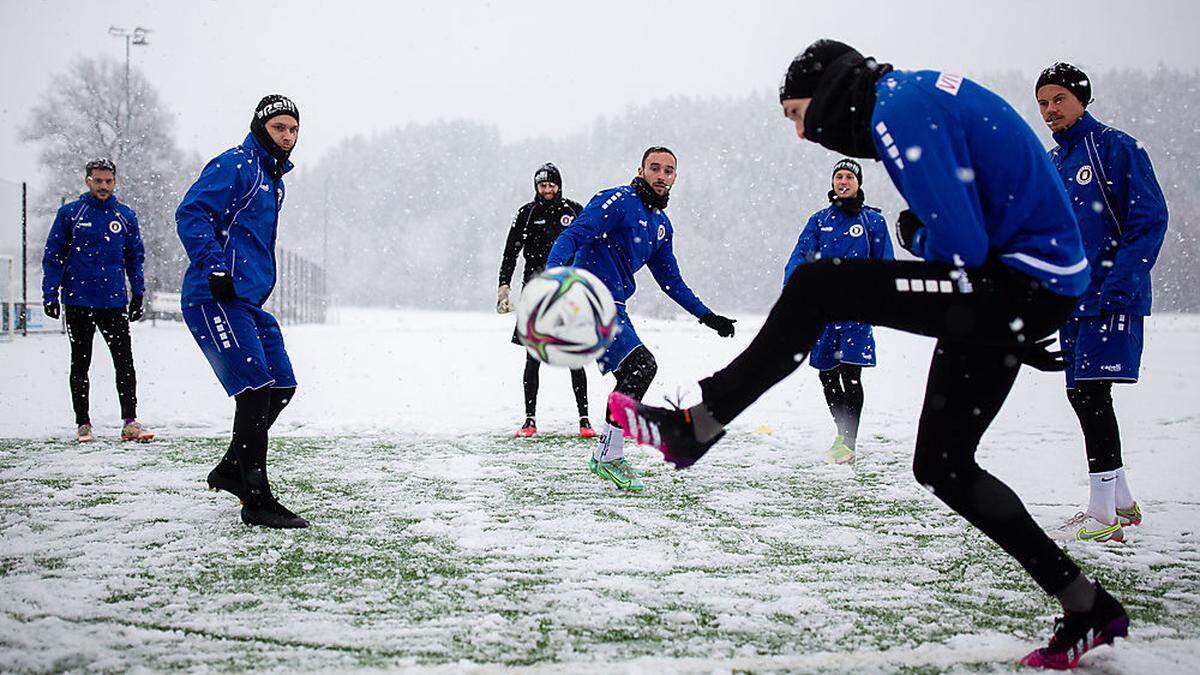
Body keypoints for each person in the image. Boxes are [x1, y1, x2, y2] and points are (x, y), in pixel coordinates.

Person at [610, 41, 1128, 668]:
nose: (802, 134)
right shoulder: (911, 95)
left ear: (828, 91)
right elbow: (992, 211)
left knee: (817, 285)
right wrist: (1019, 316)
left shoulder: (897, 109)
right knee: (943, 465)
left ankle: (699, 425)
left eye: (798, 114)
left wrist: (914, 231)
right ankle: (1088, 606)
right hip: (1028, 285)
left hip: (1018, 282)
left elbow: (958, 243)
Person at [545, 147, 736, 491]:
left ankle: (608, 454)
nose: (662, 175)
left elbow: (671, 281)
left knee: (634, 376)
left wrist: (707, 316)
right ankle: (607, 456)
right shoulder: (617, 200)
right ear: (641, 170)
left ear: (675, 177)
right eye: (655, 168)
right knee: (641, 368)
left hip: (615, 305)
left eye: (669, 170)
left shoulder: (661, 226)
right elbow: (572, 236)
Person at [1036, 63, 1168, 544]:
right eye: (1044, 104)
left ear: (1081, 99)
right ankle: (1121, 503)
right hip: (1073, 302)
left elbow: (1150, 220)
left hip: (1111, 298)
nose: (1050, 111)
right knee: (1082, 395)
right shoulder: (1054, 162)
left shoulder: (1116, 147)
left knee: (1091, 394)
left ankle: (1102, 512)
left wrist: (1119, 285)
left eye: (1058, 100)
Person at [176, 95, 307, 529]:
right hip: (215, 296)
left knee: (281, 386)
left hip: (248, 303)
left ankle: (232, 468)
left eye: (292, 130)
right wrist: (214, 266)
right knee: (254, 391)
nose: (286, 138)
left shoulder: (274, 179)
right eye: (278, 129)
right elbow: (191, 213)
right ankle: (256, 498)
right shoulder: (235, 164)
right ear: (259, 127)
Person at [784, 158, 893, 464]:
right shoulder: (819, 220)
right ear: (832, 183)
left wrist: (883, 302)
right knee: (826, 376)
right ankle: (841, 433)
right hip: (824, 313)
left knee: (851, 374)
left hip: (856, 313)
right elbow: (799, 257)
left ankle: (849, 442)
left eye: (849, 177)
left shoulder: (873, 221)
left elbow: (886, 265)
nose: (843, 182)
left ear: (859, 184)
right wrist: (791, 293)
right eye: (838, 177)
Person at [42, 158, 153, 443]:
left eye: (108, 181)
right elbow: (53, 255)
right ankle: (84, 424)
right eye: (98, 181)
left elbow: (134, 257)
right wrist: (50, 293)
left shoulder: (125, 216)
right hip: (77, 301)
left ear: (115, 182)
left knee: (124, 362)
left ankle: (130, 422)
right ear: (87, 181)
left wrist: (138, 293)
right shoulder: (71, 214)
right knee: (80, 363)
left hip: (113, 303)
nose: (103, 186)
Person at [497, 163, 595, 438]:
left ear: (559, 185)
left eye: (551, 184)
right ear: (536, 187)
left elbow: (595, 244)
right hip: (535, 293)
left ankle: (585, 421)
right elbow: (510, 253)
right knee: (533, 357)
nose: (547, 189)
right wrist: (503, 285)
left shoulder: (574, 211)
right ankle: (530, 421)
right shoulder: (526, 215)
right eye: (542, 185)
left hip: (568, 293)